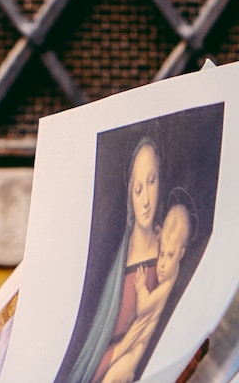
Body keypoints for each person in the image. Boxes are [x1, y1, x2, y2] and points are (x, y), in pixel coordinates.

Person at [59, 137, 163, 383]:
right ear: (130, 197)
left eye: (152, 182)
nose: (146, 201)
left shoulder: (166, 247)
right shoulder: (117, 270)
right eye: (138, 190)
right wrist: (124, 346)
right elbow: (91, 360)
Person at [96, 195, 194, 383]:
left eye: (169, 255)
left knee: (110, 379)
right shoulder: (170, 269)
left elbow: (143, 307)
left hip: (136, 350)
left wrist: (141, 288)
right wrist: (160, 236)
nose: (162, 264)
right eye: (161, 253)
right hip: (133, 344)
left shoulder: (167, 284)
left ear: (181, 254)